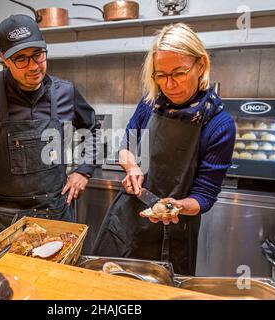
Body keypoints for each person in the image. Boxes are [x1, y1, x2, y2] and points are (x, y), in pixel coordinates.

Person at [0, 15, 100, 243]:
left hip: (55, 214)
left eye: (38, 55)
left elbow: (93, 128)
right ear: (4, 59)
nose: (34, 66)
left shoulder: (65, 91)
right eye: (21, 59)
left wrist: (84, 169)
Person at [92, 23, 236, 276]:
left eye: (179, 73)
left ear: (200, 65)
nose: (169, 85)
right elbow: (126, 144)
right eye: (161, 75)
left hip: (175, 232)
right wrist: (131, 165)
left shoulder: (219, 124)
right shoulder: (150, 104)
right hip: (127, 221)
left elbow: (205, 195)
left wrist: (178, 206)